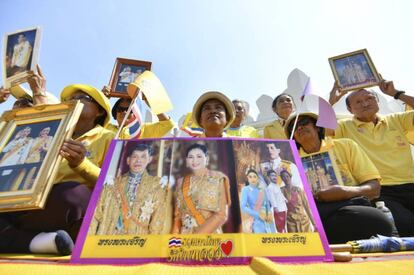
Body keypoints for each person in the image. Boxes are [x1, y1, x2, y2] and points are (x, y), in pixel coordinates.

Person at [0, 83, 115, 255]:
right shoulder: (51, 132)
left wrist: (81, 164)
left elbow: (114, 183)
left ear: (99, 112)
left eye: (83, 98)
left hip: (64, 207)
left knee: (74, 194)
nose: (75, 101)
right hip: (27, 207)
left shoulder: (108, 137)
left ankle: (19, 240)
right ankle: (38, 242)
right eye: (71, 99)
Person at [285, 112, 393, 243]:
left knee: (377, 221)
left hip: (348, 206)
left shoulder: (346, 145)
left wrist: (344, 192)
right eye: (294, 128)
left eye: (303, 123)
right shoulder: (290, 162)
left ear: (317, 127)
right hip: (314, 213)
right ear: (294, 137)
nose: (299, 128)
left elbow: (374, 189)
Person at [329, 79, 414, 237]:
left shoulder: (396, 120)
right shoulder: (344, 126)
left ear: (377, 101)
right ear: (349, 109)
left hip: (411, 183)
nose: (365, 104)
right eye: (358, 102)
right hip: (381, 191)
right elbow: (320, 132)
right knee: (406, 224)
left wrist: (396, 94)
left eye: (369, 99)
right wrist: (331, 101)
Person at [90, 144, 168, 235]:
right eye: (134, 156)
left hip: (137, 241)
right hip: (108, 237)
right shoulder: (112, 184)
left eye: (143, 157)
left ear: (149, 160)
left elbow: (157, 220)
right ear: (128, 160)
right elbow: (96, 215)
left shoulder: (157, 185)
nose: (138, 160)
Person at [172, 143, 231, 234]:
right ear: (187, 160)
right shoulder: (180, 182)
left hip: (209, 235)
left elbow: (221, 215)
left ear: (206, 159)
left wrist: (198, 235)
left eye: (199, 156)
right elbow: (177, 216)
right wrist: (174, 237)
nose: (194, 160)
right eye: (191, 157)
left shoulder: (217, 178)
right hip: (185, 235)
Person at [240, 169, 275, 233]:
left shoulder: (262, 190)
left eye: (254, 176)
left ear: (257, 178)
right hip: (256, 219)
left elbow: (267, 205)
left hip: (268, 219)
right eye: (250, 177)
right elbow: (243, 207)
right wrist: (258, 215)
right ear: (247, 178)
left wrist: (269, 216)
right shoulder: (245, 189)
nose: (252, 179)